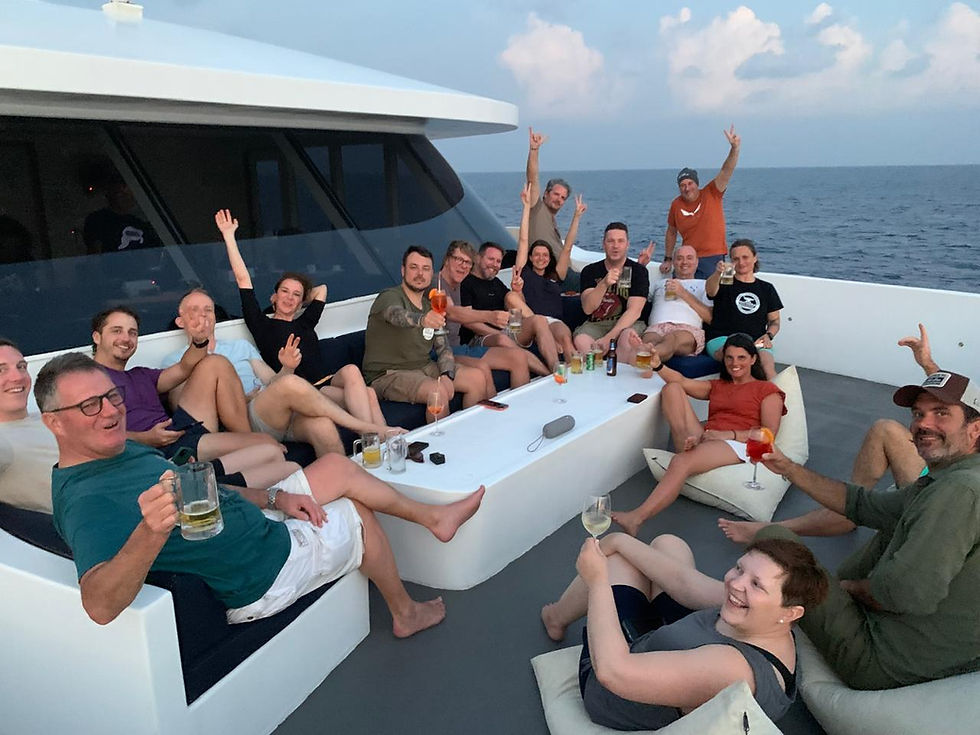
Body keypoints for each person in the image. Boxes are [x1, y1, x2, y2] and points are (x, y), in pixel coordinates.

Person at [37, 352, 485, 636]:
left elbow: (212, 494)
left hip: (260, 523)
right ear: (54, 422)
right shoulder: (84, 499)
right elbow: (97, 605)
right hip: (261, 571)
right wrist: (150, 532)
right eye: (88, 406)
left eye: (111, 397)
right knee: (356, 512)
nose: (111, 412)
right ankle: (405, 612)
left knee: (333, 465)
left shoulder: (121, 450)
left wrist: (276, 500)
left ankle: (432, 518)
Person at [751, 369, 980, 689]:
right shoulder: (951, 477)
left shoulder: (959, 491)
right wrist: (788, 468)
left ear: (975, 429)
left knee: (773, 540)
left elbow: (906, 593)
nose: (923, 424)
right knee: (893, 525)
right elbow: (865, 506)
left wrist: (846, 588)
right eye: (918, 413)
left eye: (941, 413)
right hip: (928, 641)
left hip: (882, 658)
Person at [540, 532, 828, 730]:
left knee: (616, 564)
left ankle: (556, 617)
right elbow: (686, 584)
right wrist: (618, 539)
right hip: (678, 650)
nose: (736, 584)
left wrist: (598, 580)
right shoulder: (767, 618)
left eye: (757, 584)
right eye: (740, 569)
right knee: (668, 543)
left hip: (615, 686)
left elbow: (613, 672)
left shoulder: (732, 668)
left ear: (791, 612)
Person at [720, 323, 937, 543]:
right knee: (885, 429)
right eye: (918, 414)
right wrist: (927, 364)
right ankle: (851, 510)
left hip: (941, 499)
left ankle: (771, 530)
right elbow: (961, 404)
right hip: (928, 474)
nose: (924, 423)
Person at [161, 289, 401, 457]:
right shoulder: (174, 361)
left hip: (274, 410)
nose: (203, 314)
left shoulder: (240, 347)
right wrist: (240, 398)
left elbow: (271, 381)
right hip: (244, 421)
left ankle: (347, 491)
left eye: (208, 309)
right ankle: (367, 430)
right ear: (180, 321)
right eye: (194, 310)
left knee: (323, 427)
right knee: (291, 385)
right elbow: (186, 410)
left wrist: (286, 367)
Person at [216, 209, 387, 430]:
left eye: (296, 295)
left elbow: (322, 290)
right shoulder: (261, 324)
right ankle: (376, 437)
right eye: (284, 292)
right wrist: (229, 237)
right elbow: (242, 279)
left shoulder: (304, 322)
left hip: (326, 382)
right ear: (274, 296)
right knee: (369, 394)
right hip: (303, 391)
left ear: (301, 302)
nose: (289, 297)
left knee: (356, 375)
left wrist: (300, 299)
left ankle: (380, 440)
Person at [90, 307, 292, 489]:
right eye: (117, 331)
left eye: (132, 333)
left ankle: (207, 473)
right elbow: (87, 435)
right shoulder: (86, 380)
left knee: (214, 362)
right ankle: (200, 482)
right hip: (162, 448)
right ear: (97, 337)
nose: (126, 338)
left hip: (178, 430)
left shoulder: (140, 374)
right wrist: (145, 438)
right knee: (270, 449)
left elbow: (184, 367)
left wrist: (199, 341)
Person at [612, 334, 786, 537]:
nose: (734, 363)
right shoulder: (719, 385)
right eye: (729, 357)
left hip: (738, 443)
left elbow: (768, 433)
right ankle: (686, 447)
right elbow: (681, 381)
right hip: (710, 437)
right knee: (672, 389)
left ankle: (637, 517)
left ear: (753, 359)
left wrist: (727, 434)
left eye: (741, 358)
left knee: (681, 462)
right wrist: (658, 366)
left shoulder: (767, 390)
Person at [363, 246, 487, 412]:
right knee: (436, 392)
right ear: (403, 270)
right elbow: (395, 314)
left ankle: (472, 433)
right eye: (414, 267)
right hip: (387, 373)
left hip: (424, 367)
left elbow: (443, 347)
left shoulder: (431, 306)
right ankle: (441, 438)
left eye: (425, 269)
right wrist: (422, 320)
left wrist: (446, 374)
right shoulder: (390, 296)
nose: (420, 274)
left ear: (431, 274)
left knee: (477, 378)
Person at [436, 240, 536, 390]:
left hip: (459, 348)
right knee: (482, 369)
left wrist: (517, 291)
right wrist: (490, 316)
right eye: (459, 260)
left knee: (519, 357)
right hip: (444, 350)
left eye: (467, 263)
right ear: (447, 259)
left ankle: (548, 377)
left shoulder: (457, 284)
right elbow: (452, 312)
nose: (463, 266)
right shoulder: (437, 284)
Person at [505, 183, 583, 360]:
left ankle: (575, 376)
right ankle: (556, 370)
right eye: (537, 255)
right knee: (511, 296)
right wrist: (526, 208)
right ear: (530, 257)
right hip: (530, 321)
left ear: (549, 259)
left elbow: (567, 247)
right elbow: (524, 239)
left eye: (545, 255)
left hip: (553, 322)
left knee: (564, 337)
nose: (541, 258)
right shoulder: (523, 271)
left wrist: (576, 216)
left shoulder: (556, 275)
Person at [459, 241, 561, 371]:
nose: (494, 265)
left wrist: (518, 291)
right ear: (478, 258)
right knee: (502, 339)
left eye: (498, 261)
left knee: (538, 319)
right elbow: (469, 322)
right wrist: (498, 333)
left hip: (507, 329)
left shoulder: (496, 282)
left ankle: (556, 368)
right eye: (491, 259)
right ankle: (547, 375)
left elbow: (517, 307)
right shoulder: (467, 283)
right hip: (480, 337)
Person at [662, 126, 741, 279]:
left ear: (697, 183)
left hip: (713, 258)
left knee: (712, 296)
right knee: (676, 295)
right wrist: (668, 258)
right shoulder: (676, 204)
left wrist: (735, 148)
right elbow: (671, 232)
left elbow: (726, 170)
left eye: (690, 183)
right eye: (682, 185)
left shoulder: (712, 192)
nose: (687, 188)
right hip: (687, 258)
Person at [704, 240, 782, 379]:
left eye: (745, 257)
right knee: (737, 358)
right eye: (735, 259)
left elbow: (775, 320)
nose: (741, 262)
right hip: (722, 338)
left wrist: (768, 335)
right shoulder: (724, 282)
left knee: (768, 369)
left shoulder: (766, 288)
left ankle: (779, 398)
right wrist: (717, 273)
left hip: (756, 340)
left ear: (755, 258)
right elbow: (710, 291)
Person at [573, 223, 649, 358]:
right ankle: (596, 375)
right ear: (603, 244)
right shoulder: (590, 271)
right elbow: (588, 308)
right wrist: (603, 284)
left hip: (627, 324)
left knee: (627, 339)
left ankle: (617, 373)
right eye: (611, 241)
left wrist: (609, 338)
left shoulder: (638, 271)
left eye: (620, 241)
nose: (615, 246)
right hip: (597, 324)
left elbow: (634, 311)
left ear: (627, 245)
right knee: (581, 341)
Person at [0, 339, 59, 512]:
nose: (17, 377)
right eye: (1, 370)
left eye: (21, 367)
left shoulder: (51, 417)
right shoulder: (4, 444)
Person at [639, 244, 713, 362]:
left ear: (697, 262)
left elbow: (710, 318)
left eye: (689, 258)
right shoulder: (660, 283)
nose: (684, 262)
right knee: (649, 342)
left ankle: (647, 360)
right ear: (673, 262)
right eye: (679, 258)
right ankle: (648, 361)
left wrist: (683, 293)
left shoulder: (704, 285)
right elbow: (638, 296)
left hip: (687, 331)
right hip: (656, 328)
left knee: (671, 339)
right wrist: (640, 266)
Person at [525, 127, 573, 263]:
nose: (559, 199)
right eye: (556, 194)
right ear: (545, 193)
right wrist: (534, 150)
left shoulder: (552, 220)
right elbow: (532, 179)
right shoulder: (537, 208)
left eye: (563, 198)